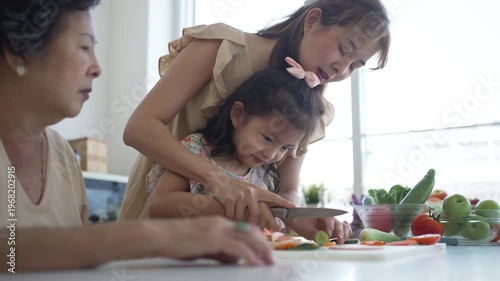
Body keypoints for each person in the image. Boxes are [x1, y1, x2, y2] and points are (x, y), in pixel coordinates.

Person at [0, 0, 273, 271]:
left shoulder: (62, 157)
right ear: (18, 53)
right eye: (84, 47)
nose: (97, 68)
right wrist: (157, 236)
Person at [120, 0, 390, 243]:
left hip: (233, 248)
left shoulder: (312, 107)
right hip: (165, 226)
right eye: (345, 50)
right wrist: (219, 182)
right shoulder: (221, 49)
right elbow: (139, 128)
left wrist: (298, 216)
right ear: (312, 20)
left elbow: (288, 187)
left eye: (355, 66)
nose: (341, 70)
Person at [148, 63, 325, 231]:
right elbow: (159, 206)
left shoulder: (264, 174)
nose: (271, 154)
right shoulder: (196, 151)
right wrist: (240, 210)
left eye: (284, 148)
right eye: (267, 138)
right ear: (238, 115)